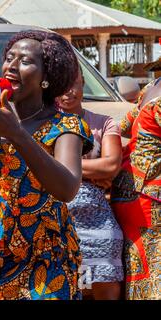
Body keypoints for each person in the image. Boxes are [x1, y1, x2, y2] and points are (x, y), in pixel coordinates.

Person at [0, 30, 94, 300]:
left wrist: (15, 133)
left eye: (25, 61)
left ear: (46, 78)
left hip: (45, 262)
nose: (11, 66)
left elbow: (66, 188)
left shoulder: (65, 127)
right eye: (9, 58)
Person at [57, 68, 124, 300]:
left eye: (74, 84)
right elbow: (32, 167)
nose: (68, 92)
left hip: (98, 226)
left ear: (83, 83)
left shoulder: (103, 122)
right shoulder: (41, 124)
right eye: (61, 85)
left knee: (103, 290)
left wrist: (58, 166)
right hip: (53, 224)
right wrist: (91, 171)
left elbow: (111, 166)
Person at [111, 77, 161, 300]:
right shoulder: (154, 92)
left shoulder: (151, 88)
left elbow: (123, 127)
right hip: (147, 198)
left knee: (142, 271)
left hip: (131, 192)